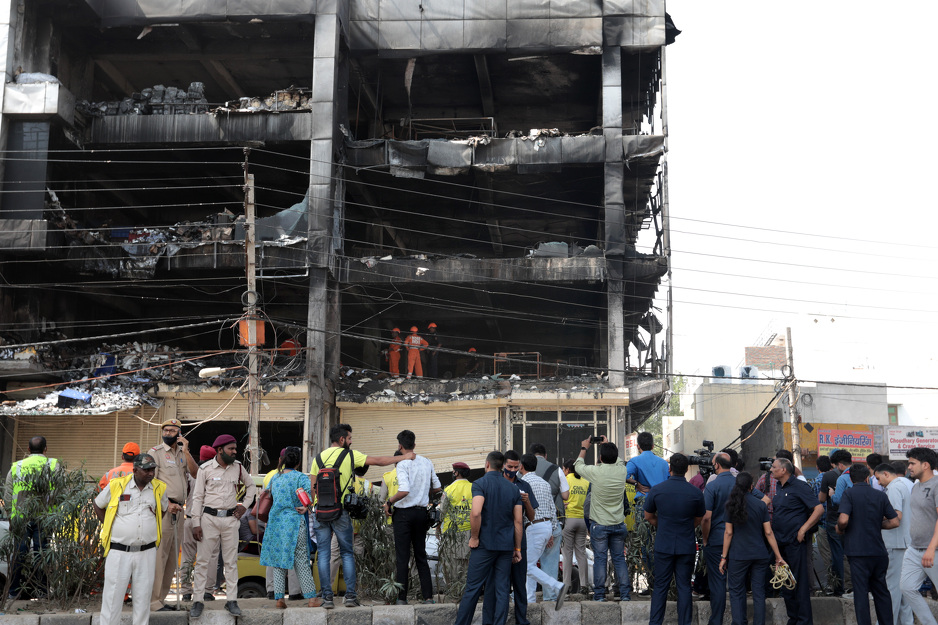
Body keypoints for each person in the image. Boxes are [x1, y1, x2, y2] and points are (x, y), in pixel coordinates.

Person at [313, 424, 414, 608]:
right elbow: (378, 461)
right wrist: (404, 456)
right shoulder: (350, 455)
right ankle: (350, 596)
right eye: (350, 438)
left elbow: (313, 488)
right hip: (340, 511)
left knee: (325, 555)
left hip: (320, 512)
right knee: (347, 553)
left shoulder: (318, 458)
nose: (351, 441)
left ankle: (327, 598)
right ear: (342, 439)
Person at [188, 434, 256, 618]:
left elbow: (252, 487)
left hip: (230, 521)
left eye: (235, 449)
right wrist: (196, 523)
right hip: (208, 519)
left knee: (231, 562)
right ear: (219, 450)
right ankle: (198, 601)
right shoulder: (205, 469)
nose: (235, 452)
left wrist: (244, 506)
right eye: (231, 449)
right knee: (202, 561)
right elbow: (197, 497)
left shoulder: (239, 468)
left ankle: (231, 601)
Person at [453, 451, 523, 625]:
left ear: (487, 464)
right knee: (502, 590)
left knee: (473, 589)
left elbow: (476, 512)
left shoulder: (480, 483)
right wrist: (517, 548)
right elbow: (518, 521)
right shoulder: (513, 489)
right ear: (502, 466)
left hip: (484, 545)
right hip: (505, 547)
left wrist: (474, 537)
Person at [644, 453, 705, 625]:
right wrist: (686, 527)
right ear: (686, 470)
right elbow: (699, 519)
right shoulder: (695, 492)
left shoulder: (657, 490)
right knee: (684, 587)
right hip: (686, 545)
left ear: (670, 469)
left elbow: (648, 516)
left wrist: (662, 525)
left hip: (664, 544)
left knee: (660, 587)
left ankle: (655, 623)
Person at [719, 471, 785, 625]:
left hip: (738, 554)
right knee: (758, 592)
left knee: (736, 591)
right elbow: (768, 532)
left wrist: (723, 557)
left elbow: (728, 533)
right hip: (759, 553)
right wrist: (778, 556)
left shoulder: (730, 505)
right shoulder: (760, 505)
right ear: (751, 486)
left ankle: (739, 622)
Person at [836, 463, 899, 625]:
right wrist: (877, 525)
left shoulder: (849, 494)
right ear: (867, 478)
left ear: (850, 479)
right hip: (878, 552)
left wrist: (840, 528)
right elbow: (894, 522)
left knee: (861, 593)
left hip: (857, 553)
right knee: (881, 592)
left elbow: (843, 519)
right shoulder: (880, 495)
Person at [384, 430, 441, 605]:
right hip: (421, 513)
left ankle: (401, 598)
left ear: (400, 446)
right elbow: (437, 488)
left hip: (403, 515)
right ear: (414, 445)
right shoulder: (427, 462)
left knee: (402, 556)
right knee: (420, 555)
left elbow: (404, 491)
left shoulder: (401, 464)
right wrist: (423, 492)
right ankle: (428, 597)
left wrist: (389, 501)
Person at [259, 446, 321, 608]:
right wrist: (306, 507)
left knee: (278, 562)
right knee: (301, 559)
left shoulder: (275, 478)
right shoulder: (300, 477)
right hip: (294, 523)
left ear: (284, 460)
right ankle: (312, 599)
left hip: (276, 524)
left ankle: (279, 599)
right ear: (298, 462)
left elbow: (267, 496)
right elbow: (309, 496)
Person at [148, 418, 198, 612]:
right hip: (164, 509)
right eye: (166, 430)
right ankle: (153, 602)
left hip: (179, 509)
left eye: (172, 431)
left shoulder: (181, 454)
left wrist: (186, 450)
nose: (168, 433)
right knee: (160, 556)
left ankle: (161, 599)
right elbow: (152, 481)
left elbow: (195, 473)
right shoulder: (156, 453)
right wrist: (166, 503)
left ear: (179, 434)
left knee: (170, 558)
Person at [574, 435, 631, 602]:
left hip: (599, 525)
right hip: (618, 524)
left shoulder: (596, 472)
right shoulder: (622, 470)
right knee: (619, 558)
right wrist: (607, 445)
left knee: (600, 559)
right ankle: (625, 595)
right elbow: (619, 460)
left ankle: (599, 595)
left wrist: (585, 447)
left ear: (600, 458)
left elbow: (578, 465)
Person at [4, 435, 59, 600]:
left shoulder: (16, 466)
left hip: (21, 518)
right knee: (41, 554)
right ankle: (42, 592)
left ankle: (13, 592)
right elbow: (59, 492)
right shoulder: (53, 466)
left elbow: (7, 495)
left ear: (28, 449)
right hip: (44, 518)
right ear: (45, 449)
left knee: (18, 554)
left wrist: (11, 517)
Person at [769, 457, 824, 625]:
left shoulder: (800, 486)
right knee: (786, 583)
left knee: (799, 584)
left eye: (773, 467)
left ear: (783, 470)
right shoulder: (778, 487)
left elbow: (819, 508)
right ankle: (793, 619)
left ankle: (804, 621)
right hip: (780, 543)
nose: (771, 470)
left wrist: (803, 529)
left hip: (795, 542)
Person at [494, 450, 538, 625]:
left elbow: (532, 516)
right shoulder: (496, 483)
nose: (512, 470)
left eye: (515, 467)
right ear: (503, 465)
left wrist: (526, 501)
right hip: (500, 540)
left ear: (520, 466)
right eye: (509, 466)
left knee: (520, 584)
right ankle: (500, 620)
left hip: (521, 542)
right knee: (501, 585)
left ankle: (522, 620)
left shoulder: (524, 485)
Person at [519, 453, 567, 606]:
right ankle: (529, 599)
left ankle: (557, 586)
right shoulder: (544, 483)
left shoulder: (522, 483)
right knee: (531, 564)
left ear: (521, 466)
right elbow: (552, 509)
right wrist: (552, 531)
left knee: (527, 566)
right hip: (547, 526)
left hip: (533, 527)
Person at [898, 447, 938, 625]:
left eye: (912, 463)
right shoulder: (915, 487)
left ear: (926, 465)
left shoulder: (937, 485)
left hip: (934, 551)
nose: (909, 468)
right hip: (914, 550)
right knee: (906, 588)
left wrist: (931, 548)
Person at [873, 462, 913, 625]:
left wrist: (874, 520)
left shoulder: (894, 488)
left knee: (891, 588)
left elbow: (896, 516)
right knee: (902, 590)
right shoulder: (904, 484)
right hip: (901, 543)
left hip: (895, 543)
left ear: (886, 474)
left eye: (878, 478)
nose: (878, 482)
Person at [529, 442, 569, 601]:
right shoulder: (556, 469)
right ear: (545, 456)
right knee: (550, 561)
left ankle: (527, 598)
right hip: (551, 522)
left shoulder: (521, 471)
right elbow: (565, 496)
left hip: (529, 525)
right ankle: (550, 597)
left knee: (528, 563)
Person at [180, 445, 220, 602]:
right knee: (210, 556)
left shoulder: (191, 474)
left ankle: (186, 592)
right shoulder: (215, 474)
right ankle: (207, 592)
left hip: (190, 519)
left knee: (187, 557)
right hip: (208, 521)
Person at [701, 452, 735, 625]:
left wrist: (705, 539)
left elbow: (706, 517)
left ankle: (716, 621)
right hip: (737, 540)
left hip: (716, 540)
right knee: (737, 583)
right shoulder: (740, 484)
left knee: (718, 582)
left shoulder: (713, 486)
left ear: (717, 466)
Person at [329, 464, 375, 589]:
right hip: (360, 526)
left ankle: (328, 588)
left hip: (343, 525)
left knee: (334, 556)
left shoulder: (347, 481)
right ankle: (354, 588)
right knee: (357, 558)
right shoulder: (369, 485)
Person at [821, 449, 853, 595]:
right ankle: (853, 585)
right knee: (852, 553)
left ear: (839, 464)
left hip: (835, 520)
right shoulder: (862, 474)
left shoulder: (831, 476)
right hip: (855, 521)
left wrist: (832, 494)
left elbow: (825, 500)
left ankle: (839, 588)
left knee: (837, 555)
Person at [441, 462, 473, 585]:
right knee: (467, 563)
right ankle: (465, 590)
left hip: (452, 532)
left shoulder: (449, 489)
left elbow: (442, 511)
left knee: (452, 564)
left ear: (456, 473)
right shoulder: (473, 487)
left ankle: (454, 591)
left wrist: (439, 528)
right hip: (470, 531)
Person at [561, 459, 589, 593]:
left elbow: (561, 498)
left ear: (567, 469)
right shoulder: (585, 481)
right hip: (582, 520)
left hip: (569, 519)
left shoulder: (565, 480)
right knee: (581, 553)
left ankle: (566, 585)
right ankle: (584, 585)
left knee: (567, 554)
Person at [625, 431, 669, 497]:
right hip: (661, 500)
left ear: (638, 446)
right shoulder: (664, 463)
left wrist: (637, 484)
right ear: (652, 446)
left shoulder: (634, 461)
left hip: (644, 499)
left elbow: (623, 476)